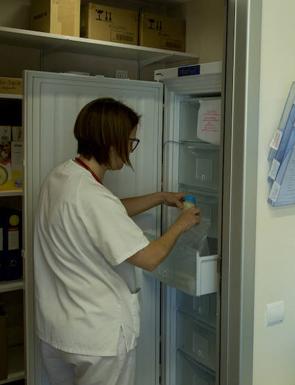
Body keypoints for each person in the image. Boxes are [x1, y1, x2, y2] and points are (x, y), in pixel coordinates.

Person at [33, 98, 201, 385]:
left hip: (56, 331)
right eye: (131, 141)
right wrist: (181, 225)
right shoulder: (94, 198)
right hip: (98, 338)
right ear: (111, 142)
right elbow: (149, 258)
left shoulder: (62, 177)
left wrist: (160, 197)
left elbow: (103, 213)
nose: (130, 150)